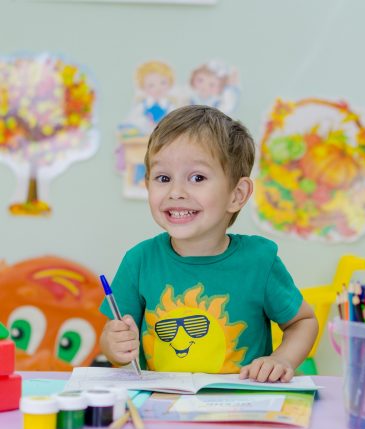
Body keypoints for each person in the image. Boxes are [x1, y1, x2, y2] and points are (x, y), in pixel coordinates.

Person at [100, 105, 318, 383]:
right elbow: (114, 342)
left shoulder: (259, 261)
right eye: (163, 178)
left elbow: (302, 322)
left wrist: (281, 359)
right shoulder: (139, 261)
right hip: (162, 410)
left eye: (197, 178)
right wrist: (114, 346)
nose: (176, 192)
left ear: (237, 195)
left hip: (238, 413)